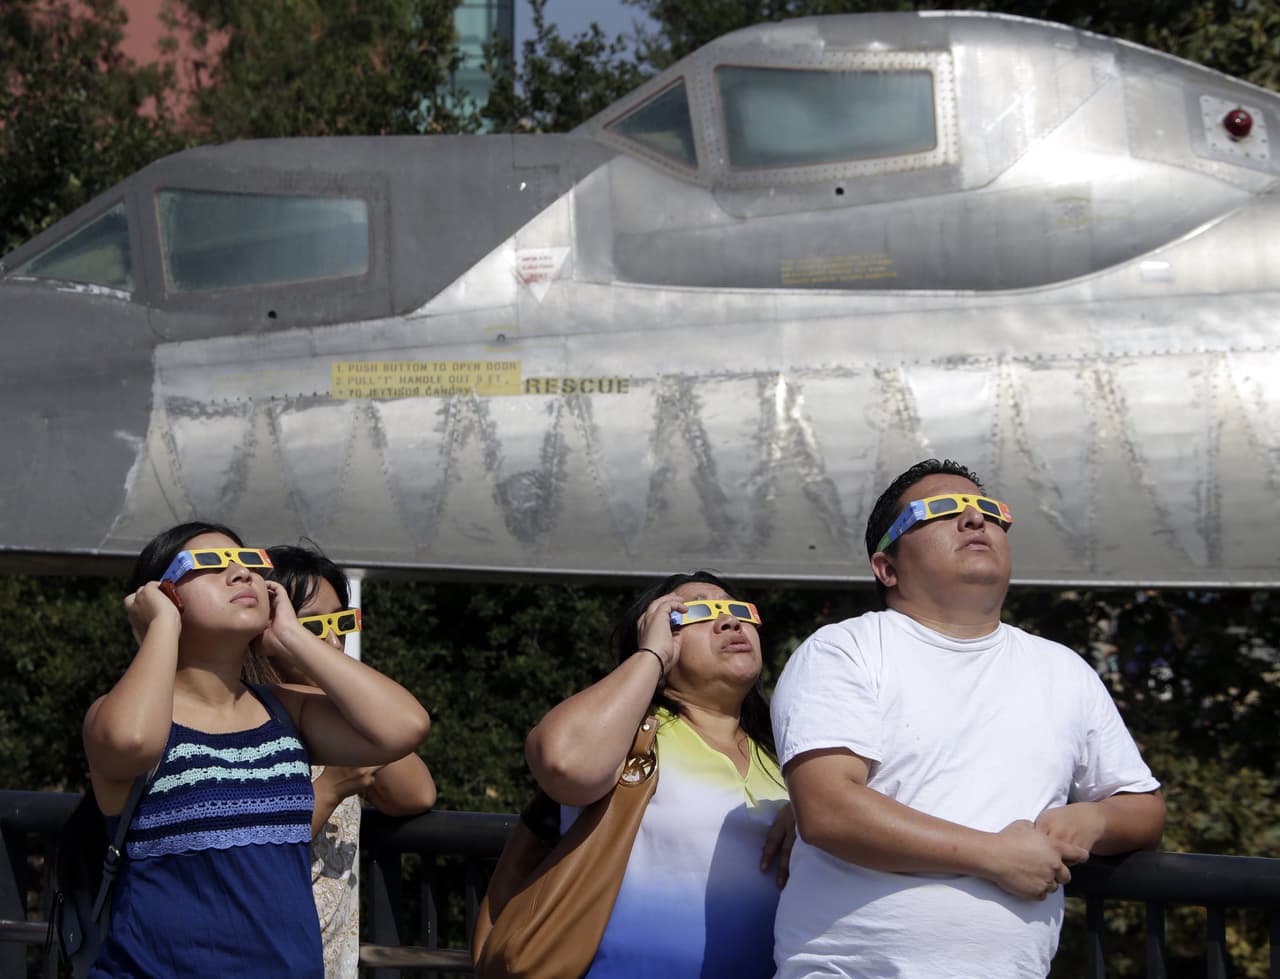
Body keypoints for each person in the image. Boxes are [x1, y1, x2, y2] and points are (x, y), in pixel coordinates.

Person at [771, 459, 1166, 979]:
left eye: (989, 512)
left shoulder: (1062, 669)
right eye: (939, 510)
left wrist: (1093, 819)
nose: (975, 521)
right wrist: (995, 856)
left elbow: (1144, 808)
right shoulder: (845, 650)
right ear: (886, 566)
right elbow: (828, 812)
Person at [83, 522, 431, 977]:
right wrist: (160, 628)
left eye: (249, 563)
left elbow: (405, 726)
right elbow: (130, 743)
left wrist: (292, 636)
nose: (241, 574)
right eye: (209, 564)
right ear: (160, 595)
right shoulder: (118, 715)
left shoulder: (284, 711)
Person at [524, 571, 794, 978]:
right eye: (697, 612)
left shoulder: (791, 753)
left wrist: (808, 810)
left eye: (738, 609)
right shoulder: (626, 738)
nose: (729, 621)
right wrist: (650, 657)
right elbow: (564, 763)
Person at [246, 543, 436, 979]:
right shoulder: (242, 713)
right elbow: (249, 849)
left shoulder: (337, 716)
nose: (333, 641)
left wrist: (340, 691)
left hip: (327, 962)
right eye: (311, 627)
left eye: (341, 623)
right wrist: (329, 788)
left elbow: (416, 793)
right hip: (259, 954)